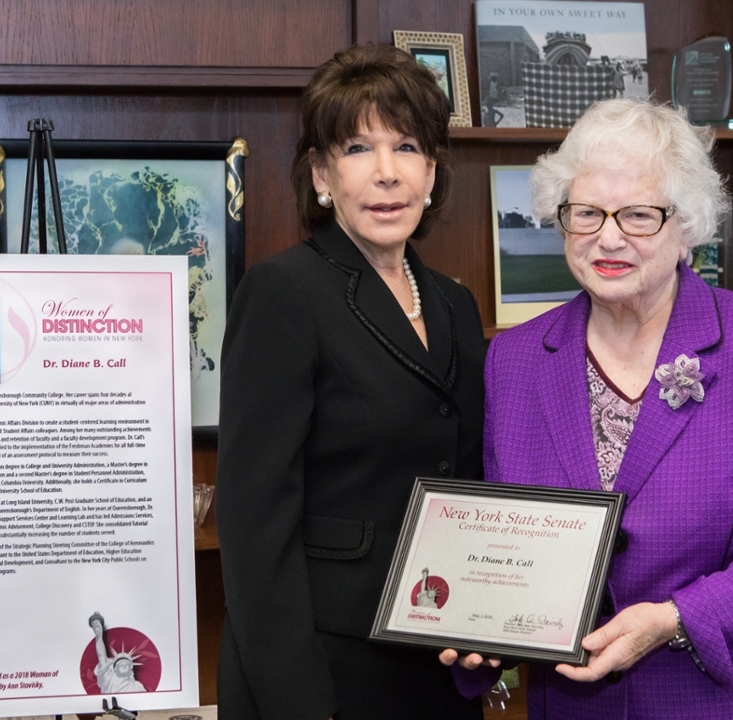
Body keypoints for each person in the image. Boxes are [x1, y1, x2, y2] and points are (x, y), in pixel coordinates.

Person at [443, 99, 733, 718]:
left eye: (640, 215)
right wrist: (476, 624)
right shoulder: (512, 361)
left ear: (689, 226)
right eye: (586, 212)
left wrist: (678, 619)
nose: (609, 236)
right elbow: (505, 538)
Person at [216, 44, 486, 720]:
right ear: (321, 176)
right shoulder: (283, 292)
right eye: (360, 149)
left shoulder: (454, 303)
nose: (388, 174)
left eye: (408, 148)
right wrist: (299, 703)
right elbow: (255, 525)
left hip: (435, 659)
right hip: (323, 670)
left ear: (433, 173)